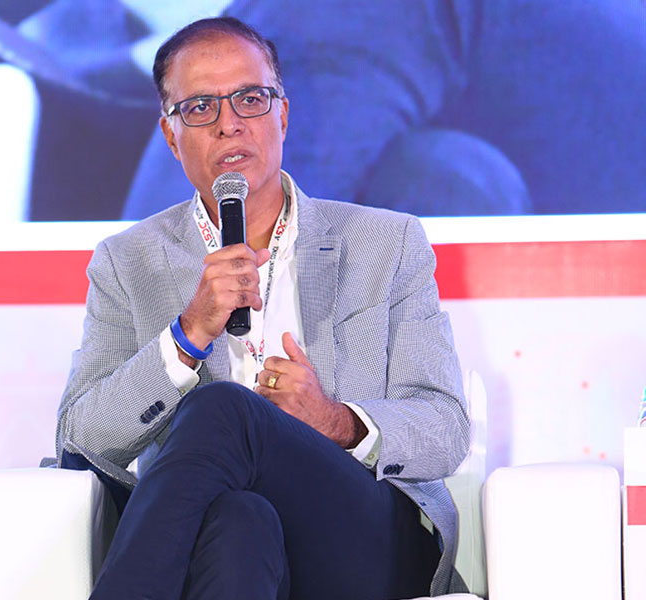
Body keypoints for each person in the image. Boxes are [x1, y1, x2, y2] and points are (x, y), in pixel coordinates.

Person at [56, 16, 469, 600]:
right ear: (170, 136)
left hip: (364, 542)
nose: (229, 124)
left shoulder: (385, 242)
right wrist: (185, 338)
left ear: (283, 114)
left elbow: (446, 427)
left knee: (225, 409)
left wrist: (335, 420)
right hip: (222, 542)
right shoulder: (129, 262)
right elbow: (81, 438)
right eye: (200, 107)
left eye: (250, 99)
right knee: (240, 522)